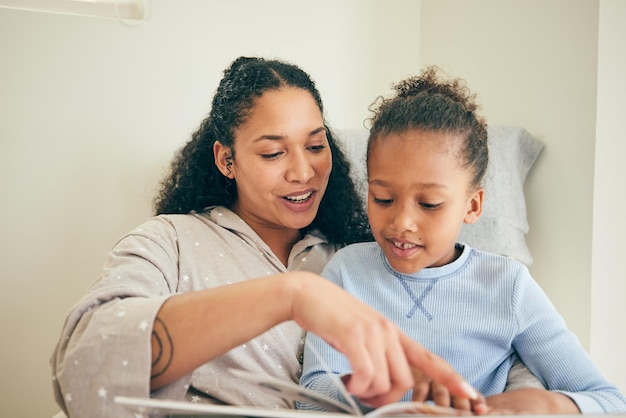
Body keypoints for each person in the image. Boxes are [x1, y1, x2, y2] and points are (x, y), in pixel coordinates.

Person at [50, 57, 488, 418]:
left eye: (316, 147)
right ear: (226, 159)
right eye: (273, 152)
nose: (303, 172)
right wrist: (288, 295)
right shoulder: (170, 241)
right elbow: (85, 364)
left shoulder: (366, 254)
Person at [298, 66, 626, 415]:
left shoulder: (507, 285)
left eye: (429, 204)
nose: (402, 222)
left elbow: (608, 401)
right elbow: (310, 397)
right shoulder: (347, 272)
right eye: (382, 199)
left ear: (472, 205)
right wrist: (380, 386)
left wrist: (548, 404)